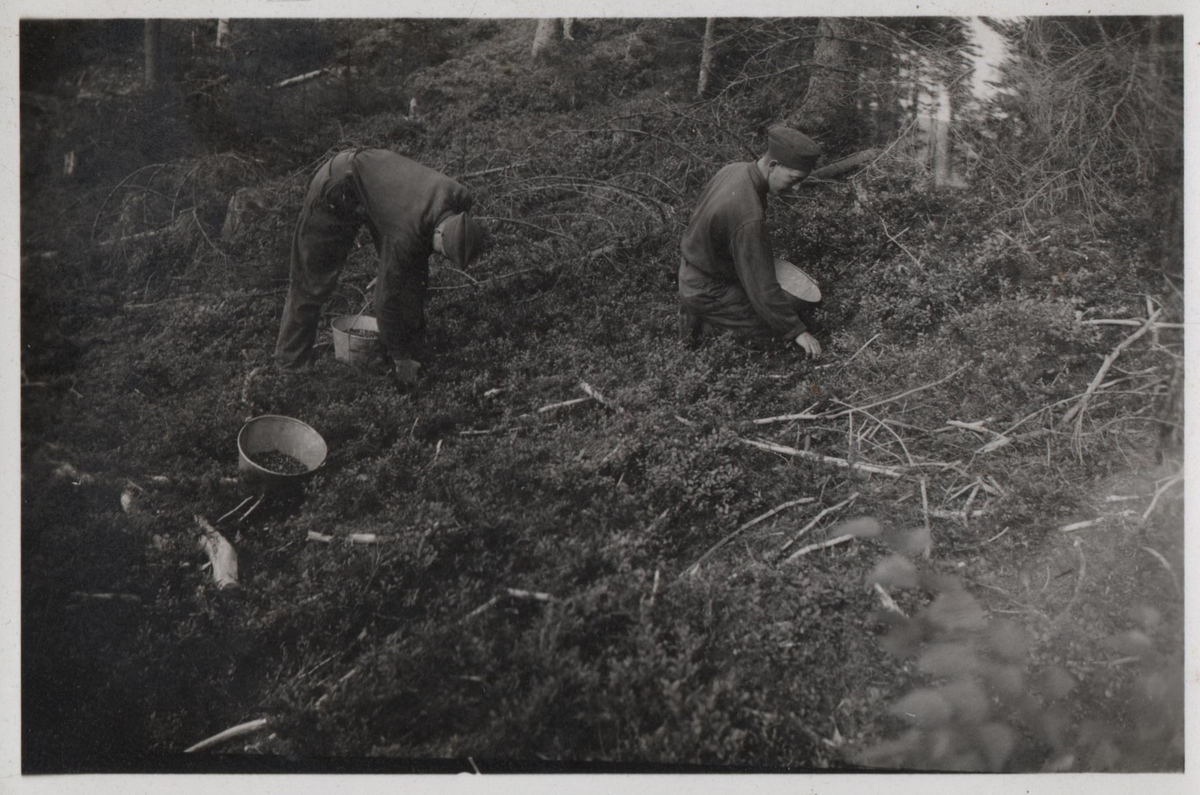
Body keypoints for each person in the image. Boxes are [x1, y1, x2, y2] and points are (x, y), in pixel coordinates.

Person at [275, 147, 484, 387]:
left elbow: (416, 252)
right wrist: (400, 358)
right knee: (310, 284)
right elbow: (383, 302)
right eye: (440, 250)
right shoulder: (406, 234)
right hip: (339, 184)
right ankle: (290, 371)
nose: (438, 255)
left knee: (412, 277)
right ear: (439, 231)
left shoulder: (461, 197)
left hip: (379, 189)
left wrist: (393, 272)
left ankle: (412, 347)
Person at [678, 124, 824, 358]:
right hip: (706, 289)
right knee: (775, 337)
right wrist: (797, 331)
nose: (797, 188)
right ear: (773, 166)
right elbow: (761, 285)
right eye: (795, 179)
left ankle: (694, 337)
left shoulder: (734, 170)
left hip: (692, 269)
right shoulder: (749, 217)